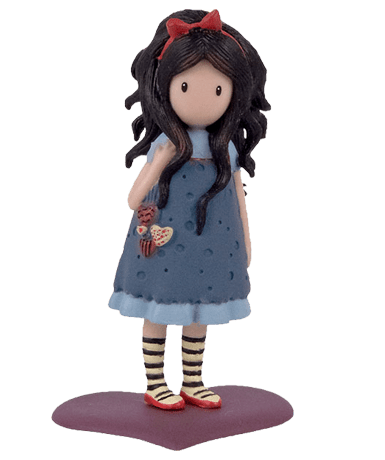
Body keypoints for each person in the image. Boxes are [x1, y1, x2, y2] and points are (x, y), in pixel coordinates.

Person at [108, 9, 271, 410]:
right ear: (165, 87)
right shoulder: (165, 145)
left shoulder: (226, 149)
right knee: (159, 307)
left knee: (201, 309)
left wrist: (247, 242)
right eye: (185, 86)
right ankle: (155, 383)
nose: (202, 99)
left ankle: (193, 381)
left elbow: (238, 196)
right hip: (163, 240)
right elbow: (133, 199)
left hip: (214, 242)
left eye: (217, 89)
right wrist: (160, 161)